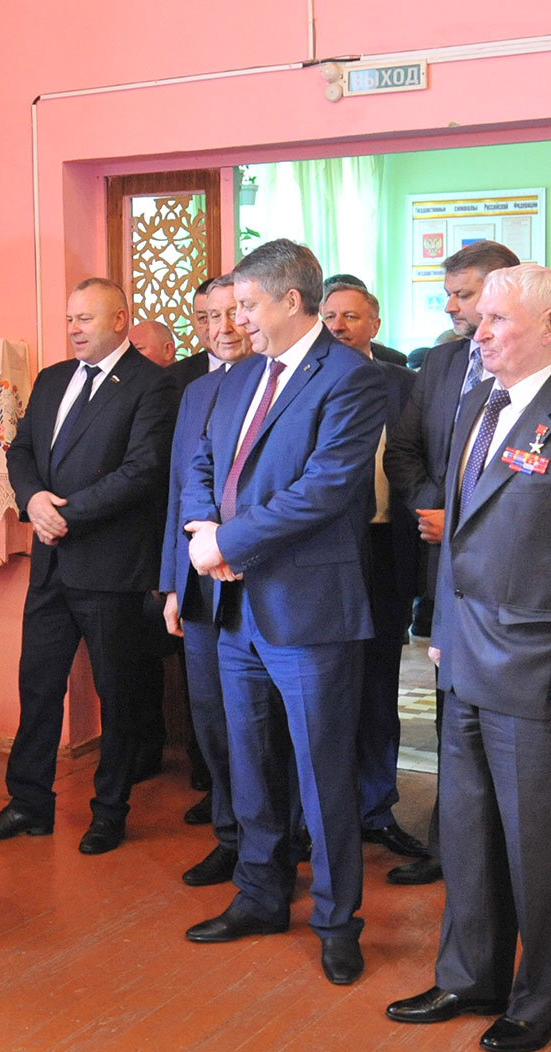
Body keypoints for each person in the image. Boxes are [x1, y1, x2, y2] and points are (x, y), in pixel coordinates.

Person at [385, 264, 551, 1052]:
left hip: (537, 679)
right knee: (466, 836)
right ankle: (470, 976)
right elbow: (460, 539)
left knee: (539, 852)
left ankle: (542, 999)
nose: (478, 330)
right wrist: (441, 632)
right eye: (478, 317)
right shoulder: (478, 406)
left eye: (497, 318)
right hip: (464, 660)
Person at [181, 240, 385, 986]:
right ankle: (261, 897)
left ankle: (335, 921)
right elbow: (202, 463)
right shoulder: (240, 377)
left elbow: (325, 489)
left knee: (322, 772)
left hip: (309, 611)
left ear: (291, 301)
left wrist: (228, 542)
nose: (236, 321)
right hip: (236, 605)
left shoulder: (351, 378)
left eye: (247, 306)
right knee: (251, 764)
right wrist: (204, 531)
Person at [0, 277, 178, 854]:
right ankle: (29, 803)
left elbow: (143, 470)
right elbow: (21, 450)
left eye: (85, 319)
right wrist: (33, 500)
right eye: (69, 318)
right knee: (38, 686)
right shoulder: (52, 379)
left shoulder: (152, 385)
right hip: (50, 563)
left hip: (110, 567)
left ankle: (110, 811)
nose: (73, 329)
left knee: (117, 696)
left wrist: (64, 514)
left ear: (119, 320)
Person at [380, 240, 521, 887]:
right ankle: (449, 849)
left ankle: (507, 854)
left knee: (505, 725)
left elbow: (533, 485)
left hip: (510, 584)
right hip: (442, 572)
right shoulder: (440, 362)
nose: (452, 307)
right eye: (450, 294)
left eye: (464, 294)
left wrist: (459, 519)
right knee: (450, 717)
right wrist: (433, 505)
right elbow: (404, 449)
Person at [320, 285, 431, 864]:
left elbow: (422, 460)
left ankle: (376, 808)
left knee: (380, 685)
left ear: (375, 323)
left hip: (387, 547)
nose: (338, 325)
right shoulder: (304, 381)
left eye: (350, 315)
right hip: (322, 555)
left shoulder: (403, 385)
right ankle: (322, 815)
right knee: (321, 688)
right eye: (329, 316)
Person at [161, 275, 257, 886]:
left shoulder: (279, 383)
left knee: (260, 727)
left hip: (255, 579)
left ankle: (273, 839)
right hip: (199, 583)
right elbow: (180, 489)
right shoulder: (195, 391)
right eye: (209, 317)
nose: (222, 328)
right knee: (213, 720)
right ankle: (230, 836)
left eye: (234, 313)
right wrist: (174, 583)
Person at [321, 274, 408, 365]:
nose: (337, 327)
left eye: (350, 317)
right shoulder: (311, 368)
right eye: (330, 317)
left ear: (374, 326)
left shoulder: (396, 367)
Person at [168, 279, 221, 387]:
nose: (210, 327)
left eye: (216, 316)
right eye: (202, 318)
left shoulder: (258, 367)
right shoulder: (173, 378)